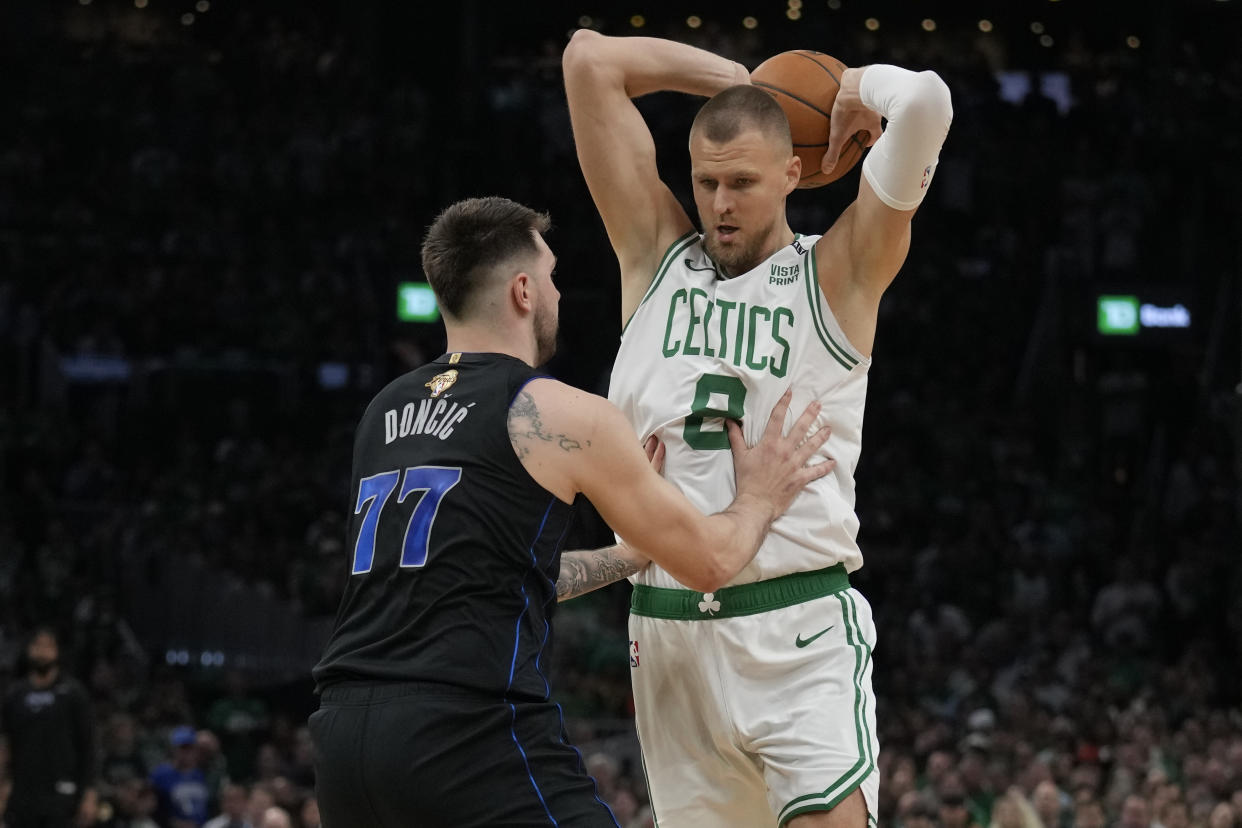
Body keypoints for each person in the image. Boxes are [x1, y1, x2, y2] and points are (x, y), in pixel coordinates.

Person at [309, 196, 834, 828]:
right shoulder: (553, 411)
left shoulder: (384, 412)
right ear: (524, 291)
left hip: (342, 740)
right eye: (553, 276)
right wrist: (760, 496)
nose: (559, 294)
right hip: (464, 734)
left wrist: (630, 556)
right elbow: (711, 560)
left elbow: (484, 575)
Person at [562, 29, 953, 828]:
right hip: (667, 634)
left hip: (795, 622)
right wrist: (739, 80)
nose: (719, 203)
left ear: (794, 172)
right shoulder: (654, 256)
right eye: (706, 182)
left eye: (742, 181)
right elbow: (588, 61)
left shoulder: (838, 273)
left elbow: (927, 102)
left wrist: (854, 86)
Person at [0, 627, 96, 828]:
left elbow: (88, 745)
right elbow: (5, 743)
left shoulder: (74, 693)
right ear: (28, 650)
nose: (42, 652)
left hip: (63, 790)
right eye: (37, 646)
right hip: (22, 792)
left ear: (57, 651)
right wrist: (3, 785)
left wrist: (89, 793)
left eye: (48, 646)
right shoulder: (14, 695)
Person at [148, 725, 210, 827]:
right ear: (173, 749)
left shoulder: (201, 775)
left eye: (190, 748)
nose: (187, 752)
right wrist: (171, 822)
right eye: (183, 748)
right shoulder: (160, 775)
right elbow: (150, 808)